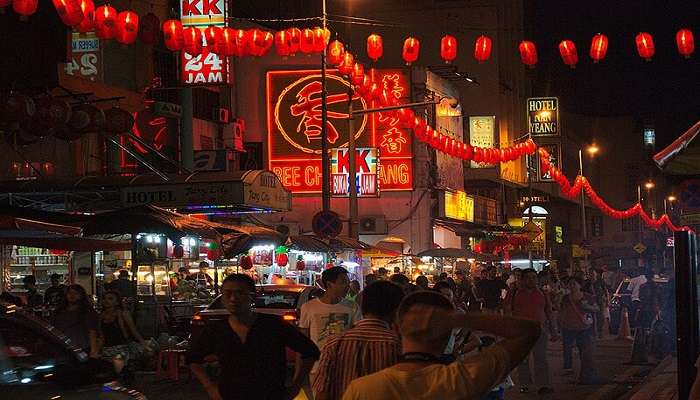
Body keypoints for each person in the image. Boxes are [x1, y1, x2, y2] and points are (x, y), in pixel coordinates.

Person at [342, 291, 541, 400]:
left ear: (396, 327)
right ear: (448, 335)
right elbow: (528, 331)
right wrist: (457, 320)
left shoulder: (362, 389)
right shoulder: (461, 379)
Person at [187, 274, 319, 400]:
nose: (233, 299)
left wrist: (296, 386)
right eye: (227, 294)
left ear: (252, 296)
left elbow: (310, 351)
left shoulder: (273, 325)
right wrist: (210, 387)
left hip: (271, 395)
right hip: (230, 395)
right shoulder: (216, 329)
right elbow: (192, 358)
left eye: (240, 293)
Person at [313, 281, 405, 400]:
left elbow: (322, 391)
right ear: (396, 309)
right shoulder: (398, 344)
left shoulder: (335, 342)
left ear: (362, 306)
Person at [300, 266, 362, 397]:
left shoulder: (352, 307)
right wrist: (299, 373)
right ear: (329, 284)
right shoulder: (309, 308)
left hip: (345, 366)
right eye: (343, 282)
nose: (347, 287)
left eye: (348, 282)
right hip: (317, 367)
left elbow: (358, 336)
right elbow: (303, 342)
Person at [505, 268, 555, 395]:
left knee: (541, 358)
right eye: (528, 278)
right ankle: (525, 384)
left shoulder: (543, 293)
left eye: (534, 277)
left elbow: (549, 311)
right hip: (521, 331)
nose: (532, 280)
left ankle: (543, 384)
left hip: (540, 330)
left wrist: (554, 330)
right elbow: (507, 311)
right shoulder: (514, 293)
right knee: (523, 359)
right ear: (522, 279)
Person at [558, 277, 599, 384]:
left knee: (584, 349)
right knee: (567, 348)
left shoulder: (588, 297)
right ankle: (568, 367)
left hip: (583, 327)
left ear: (580, 285)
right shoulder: (565, 298)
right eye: (570, 284)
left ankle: (585, 369)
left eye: (574, 284)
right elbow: (560, 309)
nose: (572, 286)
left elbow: (596, 309)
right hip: (568, 327)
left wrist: (586, 306)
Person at [98, 290, 151, 371]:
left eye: (110, 299)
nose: (106, 301)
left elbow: (133, 330)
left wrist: (144, 344)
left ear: (117, 302)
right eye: (104, 299)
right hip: (106, 349)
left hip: (121, 347)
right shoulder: (101, 315)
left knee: (120, 372)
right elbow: (101, 334)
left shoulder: (123, 313)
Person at [52, 284, 99, 358]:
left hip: (81, 347)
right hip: (62, 348)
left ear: (81, 295)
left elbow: (92, 331)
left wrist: (93, 350)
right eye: (70, 293)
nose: (72, 295)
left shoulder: (87, 311)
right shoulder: (59, 311)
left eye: (76, 293)